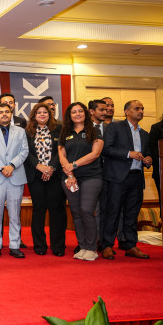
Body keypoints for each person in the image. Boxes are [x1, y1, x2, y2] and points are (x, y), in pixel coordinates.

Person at [101, 100, 152, 260]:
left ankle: (130, 245)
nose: (141, 111)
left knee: (131, 214)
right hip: (117, 177)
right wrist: (128, 154)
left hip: (136, 177)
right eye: (137, 108)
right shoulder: (115, 127)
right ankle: (107, 245)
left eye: (142, 108)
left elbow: (148, 153)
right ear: (126, 111)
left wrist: (148, 160)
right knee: (113, 212)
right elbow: (106, 149)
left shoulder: (145, 134)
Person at [0, 103, 29, 259]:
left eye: (7, 111)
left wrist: (12, 166)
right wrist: (2, 168)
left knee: (15, 214)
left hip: (15, 175)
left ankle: (14, 245)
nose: (4, 114)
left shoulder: (21, 131)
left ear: (11, 114)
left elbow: (24, 151)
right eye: (0, 112)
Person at [59, 102, 104, 261]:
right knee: (76, 212)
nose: (77, 114)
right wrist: (70, 173)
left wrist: (74, 165)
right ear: (69, 115)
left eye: (80, 111)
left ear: (86, 113)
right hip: (70, 178)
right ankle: (83, 246)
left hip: (91, 176)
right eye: (74, 112)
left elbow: (95, 153)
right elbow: (62, 155)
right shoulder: (65, 132)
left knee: (86, 210)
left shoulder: (94, 130)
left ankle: (92, 248)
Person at [25, 103, 67, 256]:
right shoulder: (27, 131)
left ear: (50, 115)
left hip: (55, 175)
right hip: (36, 176)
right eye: (39, 112)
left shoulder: (59, 129)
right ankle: (40, 245)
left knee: (57, 210)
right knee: (39, 210)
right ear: (34, 115)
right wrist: (39, 166)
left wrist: (51, 168)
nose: (42, 115)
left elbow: (61, 151)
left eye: (45, 112)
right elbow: (25, 152)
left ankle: (58, 247)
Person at [88, 99, 109, 252]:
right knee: (88, 209)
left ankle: (102, 241)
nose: (105, 112)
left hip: (108, 173)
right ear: (91, 111)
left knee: (104, 209)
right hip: (88, 174)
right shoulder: (84, 128)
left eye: (106, 109)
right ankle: (89, 241)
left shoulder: (110, 128)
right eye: (101, 110)